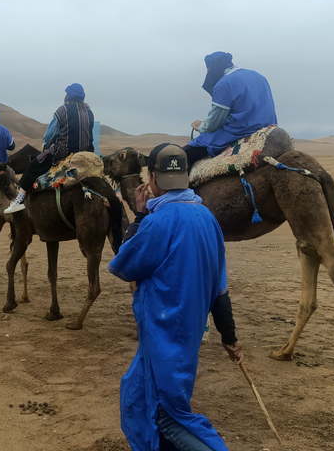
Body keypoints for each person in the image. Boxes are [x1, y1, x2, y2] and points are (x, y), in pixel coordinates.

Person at [107, 143, 244, 451]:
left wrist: (139, 216)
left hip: (162, 335)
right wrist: (230, 337)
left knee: (166, 414)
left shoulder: (158, 222)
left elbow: (125, 264)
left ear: (152, 177)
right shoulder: (207, 217)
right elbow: (220, 288)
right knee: (138, 396)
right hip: (187, 334)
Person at [4, 83, 94, 213]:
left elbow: (49, 136)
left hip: (64, 155)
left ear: (69, 95)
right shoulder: (89, 113)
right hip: (86, 156)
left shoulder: (63, 110)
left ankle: (18, 201)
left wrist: (46, 146)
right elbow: (90, 137)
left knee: (32, 168)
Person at [183, 52, 277, 171]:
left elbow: (213, 123)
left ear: (213, 69)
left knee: (182, 155)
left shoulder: (225, 83)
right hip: (269, 129)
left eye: (208, 71)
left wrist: (200, 127)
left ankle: (183, 190)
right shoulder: (258, 76)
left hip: (241, 131)